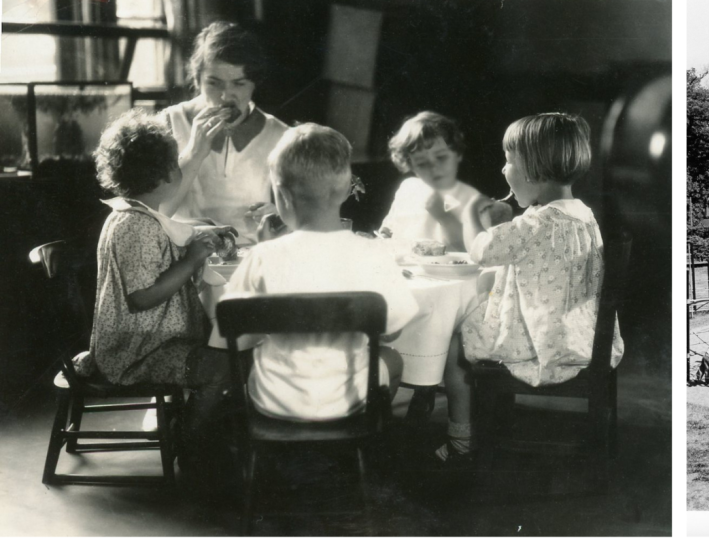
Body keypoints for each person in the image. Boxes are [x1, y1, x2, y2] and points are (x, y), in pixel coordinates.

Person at [452, 113, 624, 465]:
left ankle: (463, 439)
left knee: (457, 335)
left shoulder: (536, 222)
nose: (503, 170)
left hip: (541, 347)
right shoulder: (582, 214)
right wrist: (505, 221)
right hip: (586, 339)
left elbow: (482, 252)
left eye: (509, 160)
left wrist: (471, 217)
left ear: (533, 170)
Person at [222, 124, 418, 422]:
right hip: (347, 398)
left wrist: (267, 252)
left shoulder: (262, 255)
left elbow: (237, 327)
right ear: (346, 188)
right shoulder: (373, 253)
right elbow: (393, 329)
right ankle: (360, 439)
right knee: (392, 358)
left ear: (282, 196)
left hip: (274, 399)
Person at [88, 111, 231, 392]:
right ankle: (187, 433)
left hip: (150, 341)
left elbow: (166, 233)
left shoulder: (133, 214)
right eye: (176, 163)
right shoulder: (135, 227)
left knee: (225, 357)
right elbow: (142, 298)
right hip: (140, 352)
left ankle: (187, 424)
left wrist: (200, 233)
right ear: (166, 173)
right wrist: (191, 261)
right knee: (225, 368)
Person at [161, 21, 291, 238]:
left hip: (250, 258)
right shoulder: (168, 124)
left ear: (254, 84)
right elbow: (154, 214)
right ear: (197, 79)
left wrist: (281, 217)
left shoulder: (281, 136)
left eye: (239, 84)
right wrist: (194, 153)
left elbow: (299, 219)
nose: (225, 97)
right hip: (183, 255)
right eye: (214, 83)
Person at [378, 111, 510, 251]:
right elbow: (389, 228)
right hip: (407, 270)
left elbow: (478, 251)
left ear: (457, 154)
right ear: (410, 164)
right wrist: (384, 235)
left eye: (441, 157)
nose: (433, 168)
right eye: (422, 163)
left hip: (450, 272)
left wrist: (444, 218)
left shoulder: (470, 199)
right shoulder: (408, 188)